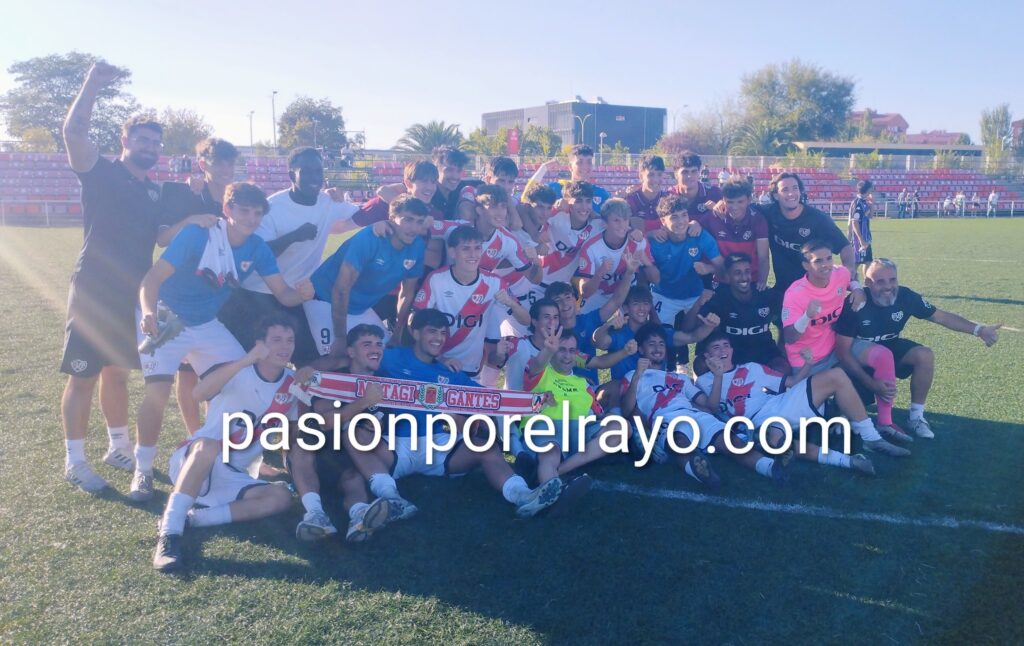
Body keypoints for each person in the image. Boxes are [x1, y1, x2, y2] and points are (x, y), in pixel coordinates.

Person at [131, 183, 314, 501]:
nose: (251, 218)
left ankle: (239, 460)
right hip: (166, 317)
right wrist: (147, 312)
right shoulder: (197, 234)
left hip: (206, 324)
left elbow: (283, 293)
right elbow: (152, 278)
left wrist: (302, 294)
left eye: (257, 213)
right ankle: (143, 470)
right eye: (244, 210)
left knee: (242, 379)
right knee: (157, 391)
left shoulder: (257, 247)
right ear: (227, 210)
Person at [59, 62, 185, 492]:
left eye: (155, 142)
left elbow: (162, 236)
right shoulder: (101, 172)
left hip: (132, 292)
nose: (150, 146)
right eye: (142, 139)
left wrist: (196, 222)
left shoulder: (154, 189)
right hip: (94, 288)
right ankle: (74, 460)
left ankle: (117, 446)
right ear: (125, 140)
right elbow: (74, 134)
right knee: (83, 375)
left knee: (117, 372)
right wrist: (92, 83)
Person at [339, 308, 566, 519]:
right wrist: (308, 371)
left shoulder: (448, 372)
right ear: (415, 332)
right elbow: (347, 361)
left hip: (438, 445)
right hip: (396, 442)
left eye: (442, 332)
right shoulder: (391, 357)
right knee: (354, 433)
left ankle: (524, 496)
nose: (439, 338)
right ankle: (392, 500)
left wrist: (534, 400)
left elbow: (491, 399)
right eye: (432, 331)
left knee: (484, 446)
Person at [152, 314, 306, 572]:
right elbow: (199, 394)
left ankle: (194, 519)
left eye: (289, 340)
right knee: (210, 445)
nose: (285, 346)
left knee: (280, 497)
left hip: (232, 475)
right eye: (276, 340)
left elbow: (291, 433)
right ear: (261, 343)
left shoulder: (292, 384)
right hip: (195, 462)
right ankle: (169, 533)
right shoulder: (238, 369)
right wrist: (247, 358)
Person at [220, 148, 372, 365]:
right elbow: (259, 254)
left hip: (295, 294)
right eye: (306, 171)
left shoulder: (328, 201)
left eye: (318, 171)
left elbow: (361, 214)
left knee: (307, 358)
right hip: (255, 294)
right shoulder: (272, 207)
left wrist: (386, 200)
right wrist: (293, 236)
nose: (314, 177)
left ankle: (303, 399)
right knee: (249, 359)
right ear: (292, 175)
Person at [834, 258, 1001, 439]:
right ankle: (843, 411)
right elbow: (842, 352)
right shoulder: (855, 303)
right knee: (850, 419)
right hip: (858, 359)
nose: (888, 286)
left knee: (924, 355)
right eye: (880, 281)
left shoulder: (906, 297)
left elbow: (940, 317)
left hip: (889, 348)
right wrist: (869, 383)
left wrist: (979, 330)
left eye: (893, 280)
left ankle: (916, 417)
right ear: (867, 282)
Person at [622, 324, 792, 486]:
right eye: (651, 344)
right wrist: (637, 376)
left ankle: (770, 467)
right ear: (641, 349)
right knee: (680, 441)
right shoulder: (632, 376)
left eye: (661, 344)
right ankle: (700, 471)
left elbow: (710, 406)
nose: (657, 348)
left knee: (730, 441)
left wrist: (718, 377)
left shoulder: (680, 378)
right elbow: (626, 410)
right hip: (665, 417)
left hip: (695, 414)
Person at [695, 332, 877, 476]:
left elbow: (792, 381)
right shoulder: (704, 381)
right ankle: (849, 461)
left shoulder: (751, 368)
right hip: (757, 422)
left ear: (732, 350)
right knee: (776, 440)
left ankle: (870, 436)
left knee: (836, 375)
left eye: (726, 346)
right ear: (707, 355)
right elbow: (712, 407)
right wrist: (718, 376)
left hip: (780, 403)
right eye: (716, 348)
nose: (722, 351)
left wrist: (808, 364)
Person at [288, 324, 399, 543]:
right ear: (350, 352)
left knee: (353, 478)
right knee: (303, 447)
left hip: (347, 456)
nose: (375, 349)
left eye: (379, 344)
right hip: (316, 450)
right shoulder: (331, 379)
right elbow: (327, 421)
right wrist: (364, 402)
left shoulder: (386, 384)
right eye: (366, 344)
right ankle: (315, 515)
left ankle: (360, 516)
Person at [308, 195, 429, 360]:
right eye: (408, 220)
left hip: (359, 309)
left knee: (383, 358)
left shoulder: (418, 246)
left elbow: (406, 293)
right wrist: (341, 337)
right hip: (323, 299)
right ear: (392, 218)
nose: (414, 228)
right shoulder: (369, 239)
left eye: (419, 222)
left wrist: (397, 333)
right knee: (335, 360)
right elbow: (341, 289)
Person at [413, 226, 528, 378]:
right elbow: (415, 322)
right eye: (466, 249)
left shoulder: (494, 283)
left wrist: (511, 303)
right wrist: (439, 358)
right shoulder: (436, 279)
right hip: (435, 364)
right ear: (452, 252)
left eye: (477, 248)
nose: (473, 254)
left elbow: (526, 320)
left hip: (470, 371)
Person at [682, 253, 788, 374]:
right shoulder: (718, 297)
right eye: (737, 273)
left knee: (782, 368)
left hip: (763, 352)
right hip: (731, 354)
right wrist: (698, 304)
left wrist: (782, 348)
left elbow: (787, 322)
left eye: (747, 271)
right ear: (727, 277)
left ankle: (772, 392)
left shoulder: (766, 295)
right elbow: (687, 329)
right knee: (701, 365)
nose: (744, 277)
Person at [751, 172, 858, 292]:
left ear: (800, 191)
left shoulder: (818, 219)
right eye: (785, 189)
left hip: (814, 289)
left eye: (795, 188)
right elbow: (743, 206)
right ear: (776, 195)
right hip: (783, 290)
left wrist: (849, 270)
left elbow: (845, 246)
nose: (791, 193)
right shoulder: (769, 213)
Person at [647, 193, 722, 328]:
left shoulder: (699, 235)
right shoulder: (656, 243)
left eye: (684, 215)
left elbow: (722, 266)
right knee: (658, 337)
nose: (681, 221)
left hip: (694, 295)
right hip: (664, 295)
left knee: (710, 330)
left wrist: (708, 269)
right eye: (674, 217)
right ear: (663, 221)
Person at [576, 198, 658, 314]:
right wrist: (600, 273)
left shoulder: (639, 241)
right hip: (597, 298)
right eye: (616, 220)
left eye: (625, 220)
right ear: (605, 223)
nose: (622, 225)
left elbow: (656, 279)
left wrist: (647, 263)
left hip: (627, 298)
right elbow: (585, 293)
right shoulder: (591, 248)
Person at [698, 177, 769, 289]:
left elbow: (763, 257)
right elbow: (695, 229)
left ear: (749, 200)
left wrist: (762, 281)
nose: (735, 207)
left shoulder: (758, 219)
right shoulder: (713, 217)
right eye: (730, 202)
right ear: (723, 200)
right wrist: (693, 224)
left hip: (750, 279)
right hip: (722, 280)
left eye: (740, 202)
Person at [523, 145, 611, 213]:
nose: (585, 166)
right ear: (570, 167)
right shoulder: (555, 188)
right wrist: (543, 168)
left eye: (589, 162)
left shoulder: (601, 194)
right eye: (579, 162)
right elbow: (526, 199)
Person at [669, 151, 722, 217]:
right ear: (676, 174)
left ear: (699, 173)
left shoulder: (714, 193)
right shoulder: (668, 196)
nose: (690, 176)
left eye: (694, 171)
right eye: (685, 172)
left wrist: (719, 212)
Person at [624, 154, 667, 232]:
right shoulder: (630, 201)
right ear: (641, 176)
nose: (656, 179)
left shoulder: (667, 200)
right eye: (651, 175)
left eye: (659, 174)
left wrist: (642, 224)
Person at [847, 180, 874, 273]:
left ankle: (866, 283)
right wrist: (861, 240)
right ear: (867, 189)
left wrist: (871, 205)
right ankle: (849, 282)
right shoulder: (858, 203)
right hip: (859, 239)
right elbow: (854, 222)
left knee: (867, 261)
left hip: (866, 238)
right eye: (871, 188)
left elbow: (870, 216)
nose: (872, 189)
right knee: (856, 262)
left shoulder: (864, 202)